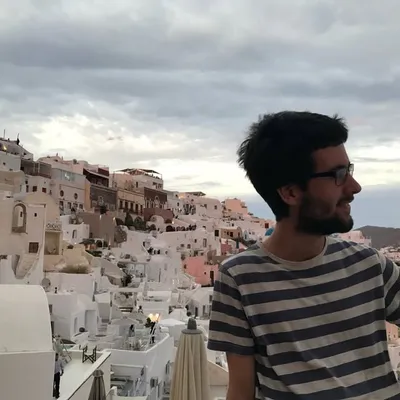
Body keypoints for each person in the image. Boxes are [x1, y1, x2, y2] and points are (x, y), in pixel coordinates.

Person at [208, 111, 400, 399]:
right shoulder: (239, 278)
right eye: (339, 175)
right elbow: (240, 391)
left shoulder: (370, 266)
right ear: (291, 193)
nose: (354, 187)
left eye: (349, 170)